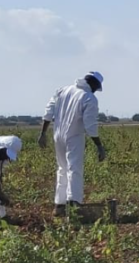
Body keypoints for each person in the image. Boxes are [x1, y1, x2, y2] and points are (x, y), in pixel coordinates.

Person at [39, 71, 107, 217]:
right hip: (74, 136)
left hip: (58, 135)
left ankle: (59, 205)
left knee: (62, 168)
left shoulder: (63, 90)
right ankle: (74, 204)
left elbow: (48, 112)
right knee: (74, 169)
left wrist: (43, 133)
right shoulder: (89, 97)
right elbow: (90, 125)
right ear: (94, 84)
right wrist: (99, 146)